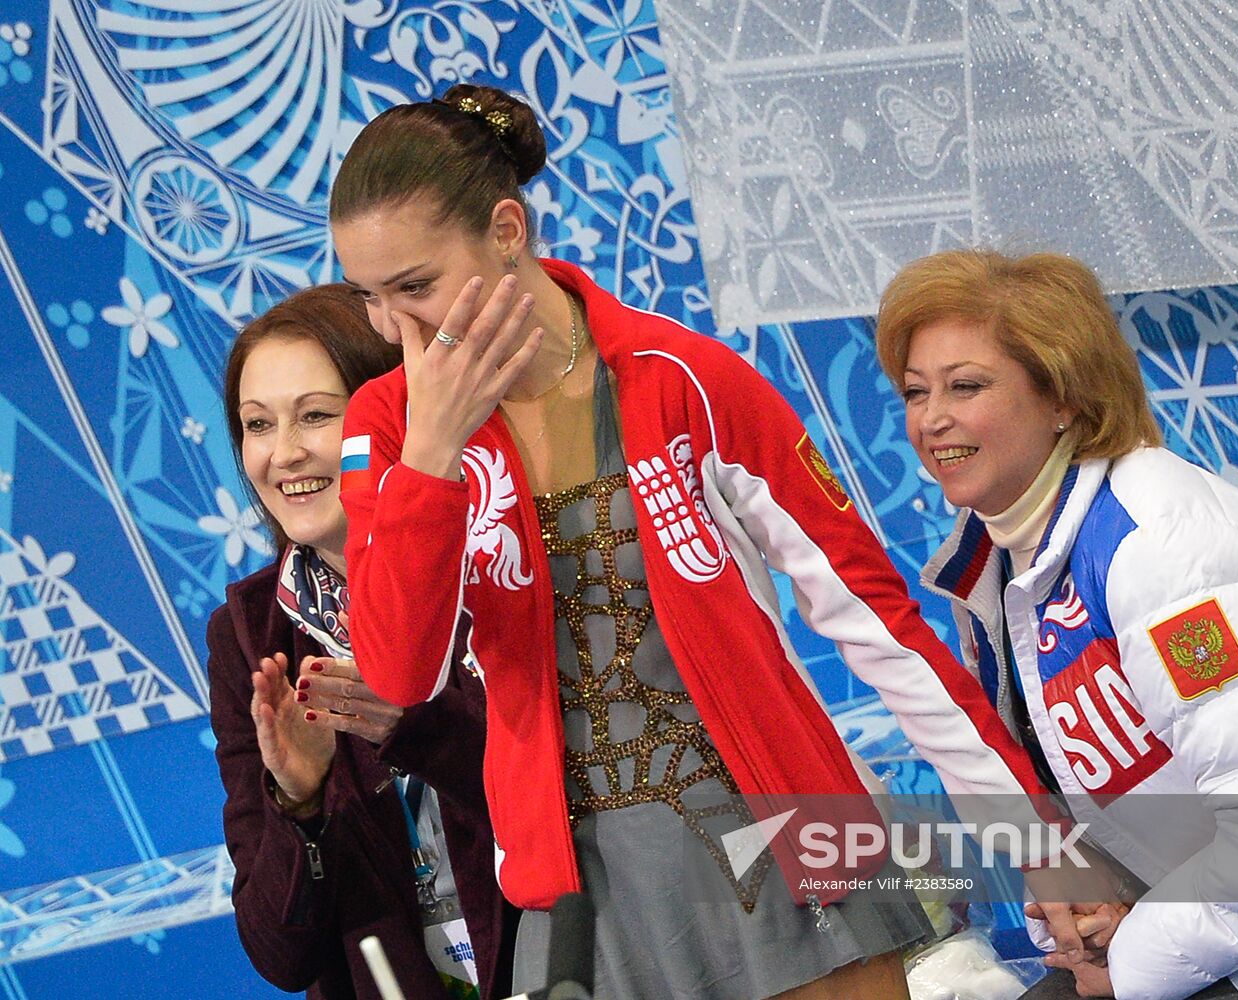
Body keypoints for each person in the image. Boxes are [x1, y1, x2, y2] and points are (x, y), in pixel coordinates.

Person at [327, 84, 1101, 1000]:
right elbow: (399, 671)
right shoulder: (387, 428)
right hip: (582, 895)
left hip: (789, 843)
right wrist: (430, 457)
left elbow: (879, 627)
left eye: (414, 287)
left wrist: (1037, 844)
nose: (393, 328)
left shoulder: (686, 379)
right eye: (368, 297)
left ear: (506, 230)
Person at [876, 248, 1238, 999]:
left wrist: (1132, 958)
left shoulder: (1159, 545)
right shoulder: (995, 563)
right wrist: (1089, 908)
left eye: (966, 386)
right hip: (1213, 935)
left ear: (1063, 397)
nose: (931, 420)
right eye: (914, 391)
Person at [207, 284, 517, 1000]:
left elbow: (598, 804)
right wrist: (297, 803)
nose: (283, 453)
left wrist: (421, 726)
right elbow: (279, 957)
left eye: (315, 416)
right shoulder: (250, 634)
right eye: (257, 425)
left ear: (394, 412)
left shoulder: (502, 562)